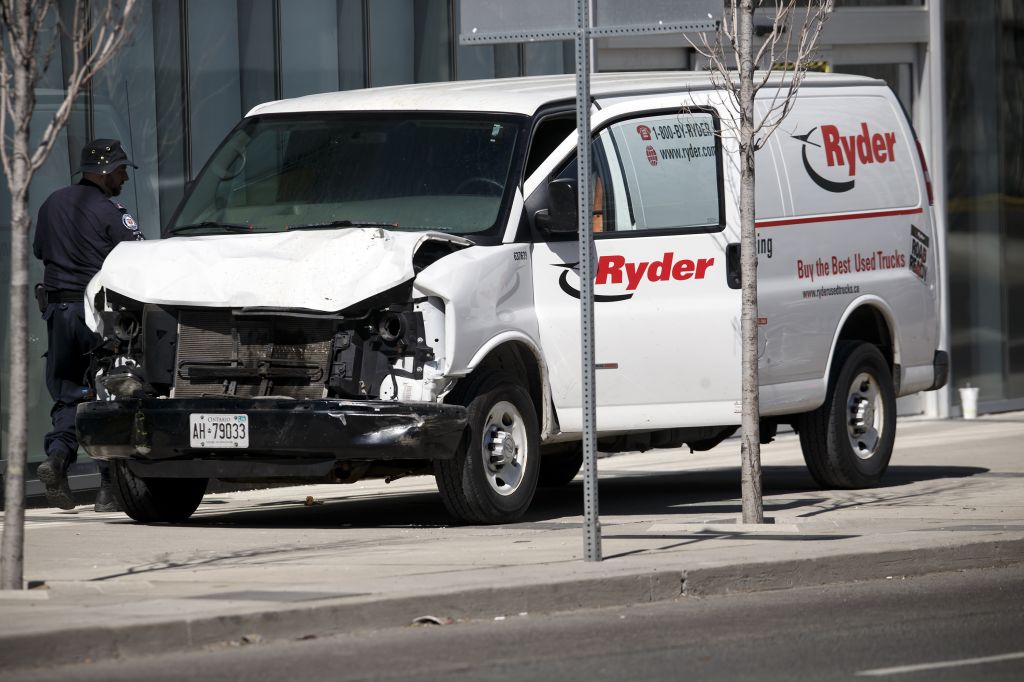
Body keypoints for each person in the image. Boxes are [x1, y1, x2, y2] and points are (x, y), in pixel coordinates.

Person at [33, 139, 144, 512]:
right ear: (106, 171)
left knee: (68, 393)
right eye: (122, 170)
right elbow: (135, 255)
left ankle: (59, 460)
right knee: (104, 393)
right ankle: (109, 488)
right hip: (97, 312)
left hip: (58, 313)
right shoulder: (111, 211)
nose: (125, 178)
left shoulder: (51, 204)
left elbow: (39, 250)